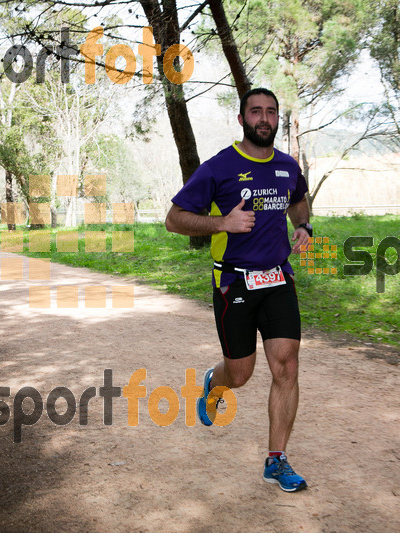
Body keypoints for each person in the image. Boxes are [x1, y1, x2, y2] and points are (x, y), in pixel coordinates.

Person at [165, 88, 312, 492]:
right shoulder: (219, 168)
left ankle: (276, 460)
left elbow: (299, 200)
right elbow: (174, 219)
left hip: (278, 278)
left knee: (287, 365)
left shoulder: (287, 166)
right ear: (242, 118)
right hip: (235, 282)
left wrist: (303, 225)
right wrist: (221, 224)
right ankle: (214, 383)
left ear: (277, 119)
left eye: (270, 112)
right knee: (241, 374)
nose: (264, 118)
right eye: (256, 112)